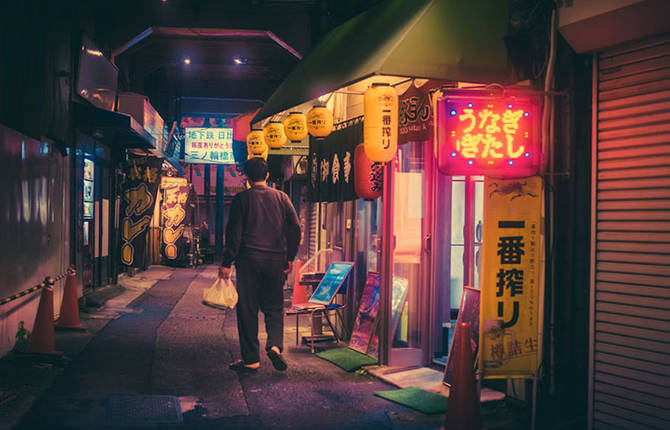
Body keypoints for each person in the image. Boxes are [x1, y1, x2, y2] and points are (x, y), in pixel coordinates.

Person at [219, 157, 301, 372]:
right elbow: (295, 228)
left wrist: (227, 262)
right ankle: (274, 345)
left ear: (246, 176)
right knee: (274, 307)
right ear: (267, 176)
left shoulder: (241, 199)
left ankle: (251, 359)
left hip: (248, 262)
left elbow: (234, 234)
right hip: (275, 261)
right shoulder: (282, 198)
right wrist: (289, 257)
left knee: (248, 309)